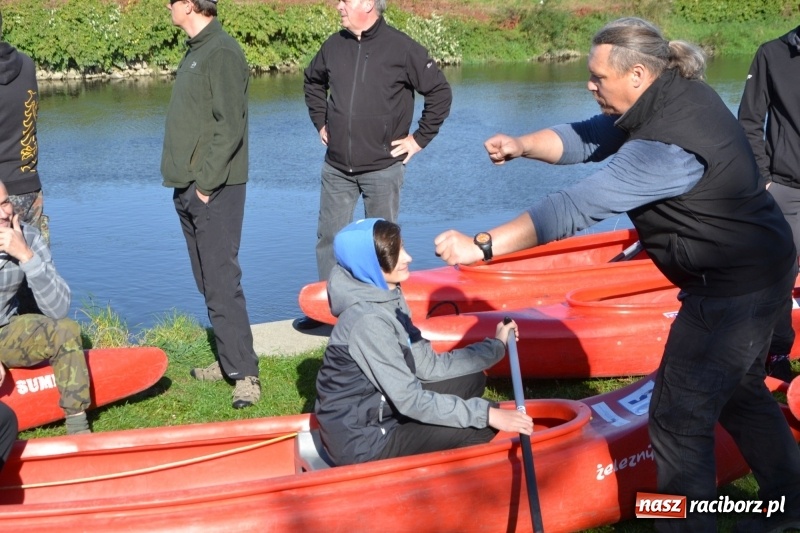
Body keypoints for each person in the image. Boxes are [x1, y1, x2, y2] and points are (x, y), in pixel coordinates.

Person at [434, 17, 800, 533]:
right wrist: (523, 144)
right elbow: (588, 137)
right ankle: (787, 506)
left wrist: (482, 246)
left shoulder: (668, 147)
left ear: (636, 75)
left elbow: (574, 209)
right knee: (739, 390)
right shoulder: (668, 96)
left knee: (677, 419)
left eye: (597, 77)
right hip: (758, 268)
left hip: (733, 288)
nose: (589, 84)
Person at [314, 218, 532, 466]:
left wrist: (495, 346)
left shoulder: (387, 294)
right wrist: (486, 415)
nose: (408, 258)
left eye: (403, 247)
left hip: (383, 411)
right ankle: (446, 483)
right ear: (369, 264)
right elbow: (409, 400)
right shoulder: (368, 321)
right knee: (482, 424)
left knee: (473, 380)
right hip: (363, 441)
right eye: (394, 255)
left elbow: (428, 366)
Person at [299, 0, 452, 330]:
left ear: (367, 4)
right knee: (330, 240)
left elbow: (439, 92)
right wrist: (321, 122)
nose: (337, 6)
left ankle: (387, 318)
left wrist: (419, 139)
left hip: (383, 168)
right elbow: (312, 82)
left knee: (382, 244)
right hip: (337, 167)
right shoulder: (333, 45)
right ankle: (330, 314)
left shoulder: (401, 48)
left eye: (344, 0)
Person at [161, 0, 260, 408]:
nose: (167, 6)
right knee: (207, 280)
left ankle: (246, 377)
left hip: (213, 188)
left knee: (221, 280)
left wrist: (206, 183)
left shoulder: (221, 51)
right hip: (189, 187)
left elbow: (230, 124)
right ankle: (228, 361)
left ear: (188, 5)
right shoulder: (197, 50)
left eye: (171, 1)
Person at [0, 180, 90, 435]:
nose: (5, 213)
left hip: (6, 329)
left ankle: (78, 428)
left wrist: (26, 256)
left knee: (65, 329)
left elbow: (59, 308)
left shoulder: (27, 235)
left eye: (5, 202)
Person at [738, 24, 800, 383]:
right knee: (780, 275)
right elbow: (748, 121)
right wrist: (765, 179)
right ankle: (777, 354)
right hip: (785, 188)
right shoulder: (772, 53)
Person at [0, 9, 49, 317]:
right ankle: (40, 352)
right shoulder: (27, 65)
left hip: (1, 196)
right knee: (36, 273)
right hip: (30, 188)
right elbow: (28, 125)